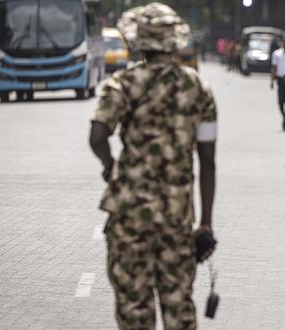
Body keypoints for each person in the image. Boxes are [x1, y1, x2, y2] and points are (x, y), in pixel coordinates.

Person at [89, 4, 217, 329]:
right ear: (175, 42)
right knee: (178, 310)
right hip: (176, 222)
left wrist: (110, 167)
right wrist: (204, 223)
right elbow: (207, 161)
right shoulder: (198, 88)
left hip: (129, 219)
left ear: (139, 42)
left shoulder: (123, 83)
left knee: (134, 312)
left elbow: (97, 135)